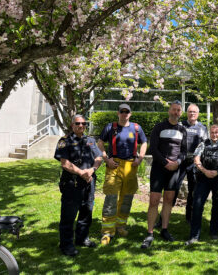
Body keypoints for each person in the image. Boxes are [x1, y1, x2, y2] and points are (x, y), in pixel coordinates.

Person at [98, 104, 148, 245]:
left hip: (130, 166)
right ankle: (107, 232)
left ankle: (120, 225)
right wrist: (106, 159)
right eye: (122, 112)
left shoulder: (136, 128)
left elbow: (144, 143)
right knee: (111, 199)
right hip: (114, 165)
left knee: (127, 199)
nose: (124, 114)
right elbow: (100, 142)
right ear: (118, 113)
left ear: (130, 114)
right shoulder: (110, 127)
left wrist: (140, 158)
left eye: (127, 112)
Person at [141, 100, 187, 249]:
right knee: (154, 200)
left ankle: (165, 230)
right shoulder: (159, 127)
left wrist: (178, 163)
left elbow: (184, 151)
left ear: (181, 112)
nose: (176, 113)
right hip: (159, 169)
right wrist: (165, 163)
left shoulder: (182, 130)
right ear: (169, 111)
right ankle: (150, 233)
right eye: (174, 110)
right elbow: (153, 149)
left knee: (168, 200)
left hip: (174, 170)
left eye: (178, 110)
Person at [54, 115, 103, 256]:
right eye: (77, 123)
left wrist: (92, 169)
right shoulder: (65, 141)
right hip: (72, 183)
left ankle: (82, 238)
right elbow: (64, 163)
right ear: (72, 125)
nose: (81, 126)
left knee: (86, 211)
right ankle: (66, 245)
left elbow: (98, 157)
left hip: (89, 182)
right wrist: (82, 172)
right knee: (68, 215)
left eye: (83, 123)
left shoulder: (90, 140)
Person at [155, 104, 208, 227]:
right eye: (190, 112)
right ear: (187, 113)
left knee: (193, 191)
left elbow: (204, 146)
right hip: (180, 161)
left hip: (194, 162)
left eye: (194, 112)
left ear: (198, 114)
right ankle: (163, 219)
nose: (192, 114)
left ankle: (189, 218)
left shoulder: (202, 128)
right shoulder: (181, 125)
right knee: (173, 189)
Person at [185, 125, 218, 245]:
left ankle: (214, 232)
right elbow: (196, 159)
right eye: (212, 132)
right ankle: (194, 235)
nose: (214, 134)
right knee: (197, 205)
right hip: (203, 178)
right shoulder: (203, 144)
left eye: (216, 132)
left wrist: (216, 172)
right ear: (209, 133)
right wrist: (205, 171)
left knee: (217, 206)